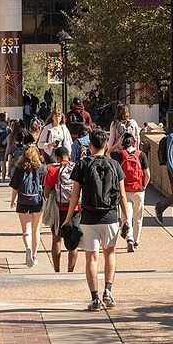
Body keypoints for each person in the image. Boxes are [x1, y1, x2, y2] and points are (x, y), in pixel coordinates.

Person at [65, 129, 129, 311]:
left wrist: (68, 218)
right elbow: (123, 195)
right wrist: (126, 218)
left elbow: (75, 195)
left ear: (90, 145)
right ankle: (108, 290)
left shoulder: (82, 164)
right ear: (106, 145)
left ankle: (94, 298)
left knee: (91, 258)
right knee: (110, 254)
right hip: (110, 217)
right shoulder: (115, 165)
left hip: (88, 218)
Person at [9, 143, 47, 267]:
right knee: (36, 229)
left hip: (23, 200)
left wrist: (13, 200)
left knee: (26, 230)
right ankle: (34, 255)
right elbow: (46, 186)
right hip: (38, 200)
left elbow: (15, 186)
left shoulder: (19, 168)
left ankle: (28, 248)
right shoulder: (42, 168)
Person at [111, 132, 149, 252]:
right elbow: (147, 174)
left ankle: (130, 238)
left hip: (124, 190)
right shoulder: (141, 155)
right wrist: (143, 186)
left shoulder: (119, 154)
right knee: (138, 217)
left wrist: (117, 144)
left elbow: (107, 153)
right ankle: (136, 241)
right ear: (135, 143)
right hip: (138, 190)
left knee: (126, 216)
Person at [45, 146, 79, 273]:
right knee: (73, 242)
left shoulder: (53, 170)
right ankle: (71, 271)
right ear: (68, 156)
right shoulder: (76, 168)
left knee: (56, 239)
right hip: (75, 209)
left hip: (58, 209)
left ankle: (57, 270)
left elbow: (46, 193)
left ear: (57, 158)